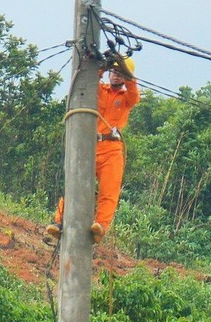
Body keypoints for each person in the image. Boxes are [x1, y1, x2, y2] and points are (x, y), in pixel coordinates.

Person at [44, 55, 142, 247]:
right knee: (75, 183)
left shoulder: (127, 98)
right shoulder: (99, 90)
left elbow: (133, 91)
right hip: (89, 145)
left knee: (109, 190)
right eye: (114, 71)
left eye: (120, 73)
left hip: (112, 148)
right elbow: (88, 80)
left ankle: (100, 226)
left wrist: (126, 71)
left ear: (125, 77)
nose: (116, 75)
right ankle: (59, 221)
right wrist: (102, 66)